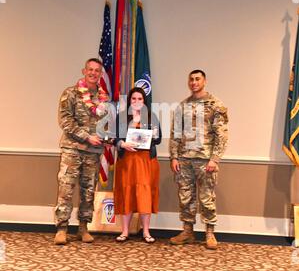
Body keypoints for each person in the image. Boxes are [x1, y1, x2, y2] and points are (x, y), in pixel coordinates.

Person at [169, 69, 228, 249]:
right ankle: (187, 232)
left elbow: (221, 134)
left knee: (207, 198)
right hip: (185, 159)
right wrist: (174, 157)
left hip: (205, 160)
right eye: (191, 80)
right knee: (185, 197)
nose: (194, 82)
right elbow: (175, 134)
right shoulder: (182, 106)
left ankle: (210, 233)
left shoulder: (215, 104)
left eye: (197, 79)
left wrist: (215, 159)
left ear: (204, 81)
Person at [54, 58, 109, 245]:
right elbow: (65, 121)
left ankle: (83, 227)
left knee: (88, 191)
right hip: (72, 150)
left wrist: (109, 137)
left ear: (100, 74)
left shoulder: (104, 99)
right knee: (66, 189)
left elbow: (105, 125)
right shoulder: (70, 93)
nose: (93, 73)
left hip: (93, 152)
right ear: (84, 71)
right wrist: (86, 137)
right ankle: (62, 228)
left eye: (97, 71)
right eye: (90, 69)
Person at [113, 87, 161, 243]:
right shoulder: (121, 118)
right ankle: (125, 231)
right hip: (127, 162)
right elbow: (114, 139)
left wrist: (147, 138)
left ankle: (146, 232)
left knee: (144, 194)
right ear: (129, 101)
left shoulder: (151, 117)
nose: (136, 101)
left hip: (146, 161)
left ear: (144, 101)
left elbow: (158, 138)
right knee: (127, 194)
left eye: (140, 99)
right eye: (133, 99)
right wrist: (122, 143)